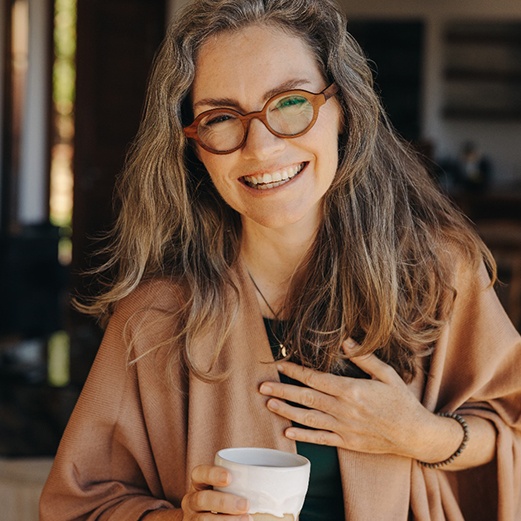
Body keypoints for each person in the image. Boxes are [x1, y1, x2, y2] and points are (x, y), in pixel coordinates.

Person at [40, 0, 521, 519]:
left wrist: (421, 436)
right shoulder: (154, 317)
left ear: (343, 110)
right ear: (193, 146)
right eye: (221, 118)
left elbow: (509, 423)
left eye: (290, 103)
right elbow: (79, 503)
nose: (261, 146)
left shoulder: (438, 275)